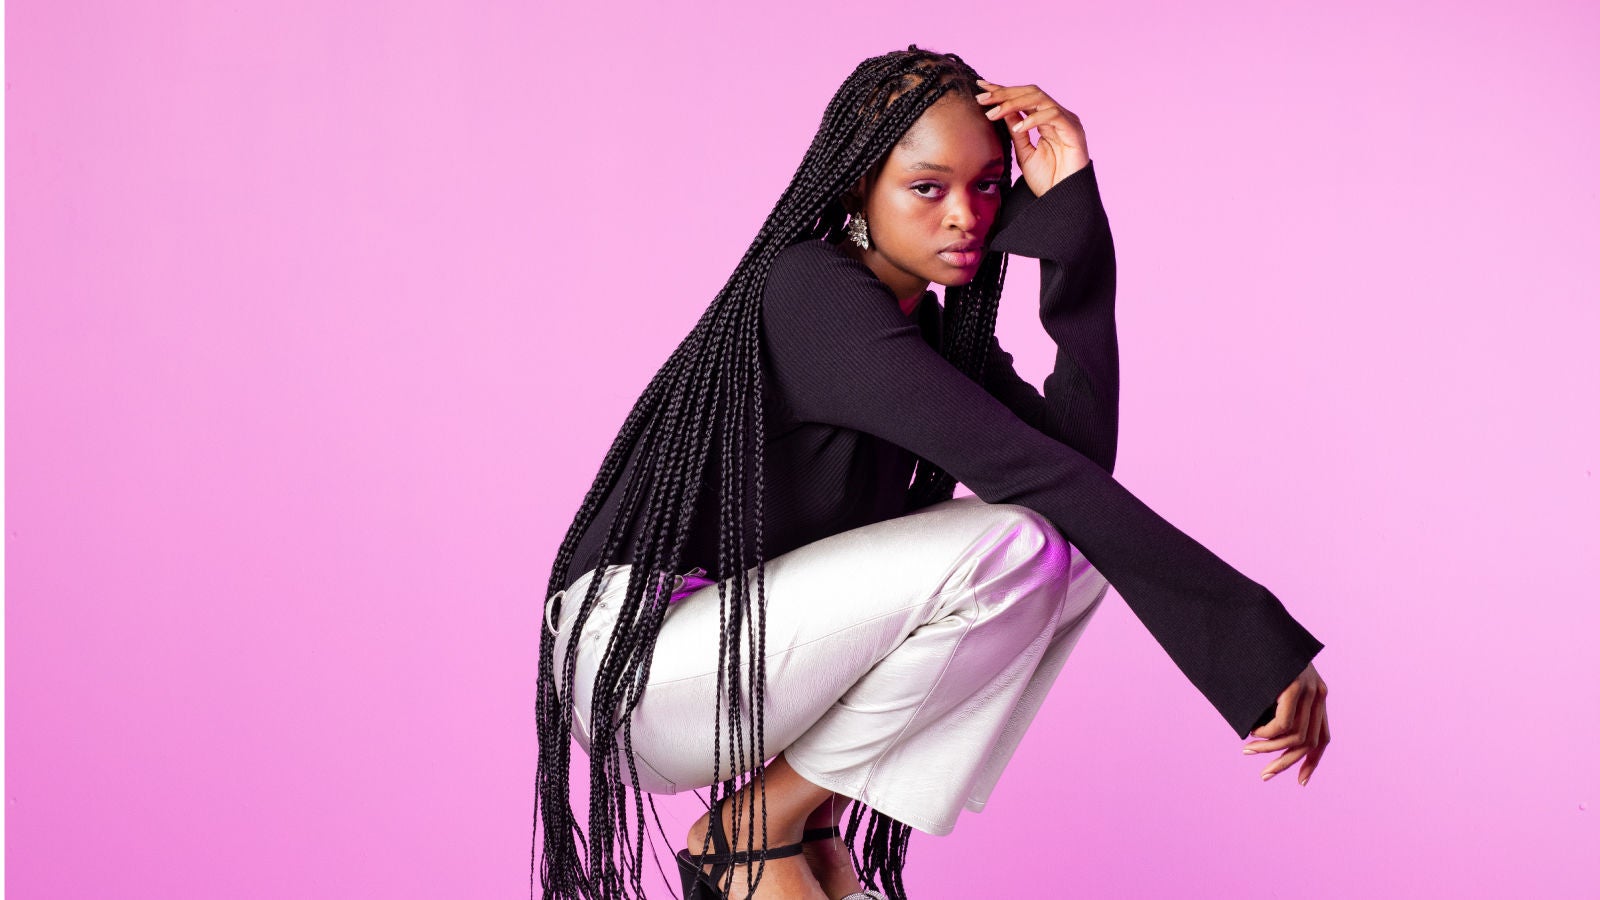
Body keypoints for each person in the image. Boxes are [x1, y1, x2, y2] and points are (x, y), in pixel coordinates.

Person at [533, 45, 1330, 900]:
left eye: (990, 185)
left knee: (1070, 546)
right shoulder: (813, 296)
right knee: (1022, 539)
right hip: (645, 662)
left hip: (733, 658)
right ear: (857, 189)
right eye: (928, 187)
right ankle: (754, 832)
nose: (967, 216)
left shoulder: (935, 337)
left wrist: (1075, 235)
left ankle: (801, 825)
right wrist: (1252, 640)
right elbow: (1046, 480)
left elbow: (1079, 471)